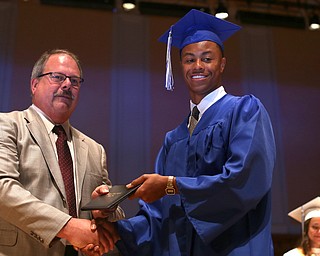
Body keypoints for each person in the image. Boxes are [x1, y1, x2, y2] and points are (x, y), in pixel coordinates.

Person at [93, 9, 276, 255]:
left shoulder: (244, 111)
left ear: (222, 64)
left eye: (207, 58)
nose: (197, 66)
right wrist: (112, 229)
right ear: (180, 66)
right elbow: (158, 218)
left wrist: (172, 185)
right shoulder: (174, 139)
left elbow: (243, 180)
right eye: (190, 59)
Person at [0, 49, 124, 256]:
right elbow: (3, 190)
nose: (67, 85)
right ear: (34, 84)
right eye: (57, 77)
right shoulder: (7, 125)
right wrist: (67, 227)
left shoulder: (95, 149)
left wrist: (101, 211)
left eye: (74, 81)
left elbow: (114, 216)